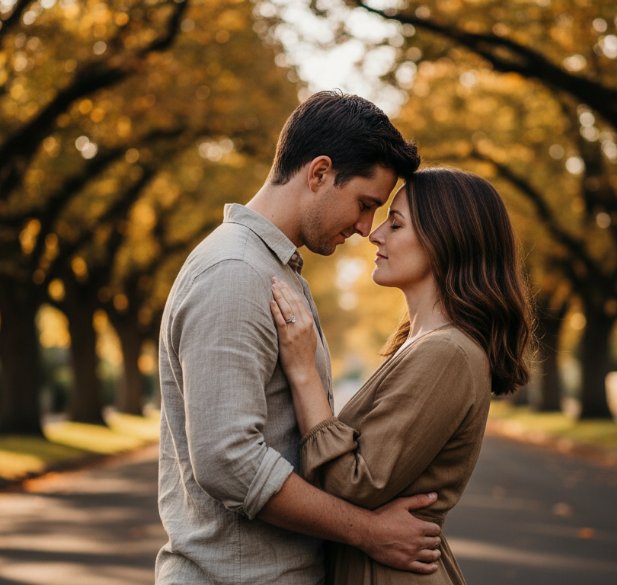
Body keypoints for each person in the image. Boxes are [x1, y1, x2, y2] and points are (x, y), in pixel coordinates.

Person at [156, 91, 444, 585]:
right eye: (365, 204)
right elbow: (228, 461)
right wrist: (368, 532)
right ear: (318, 173)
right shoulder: (234, 272)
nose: (364, 228)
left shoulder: (271, 268)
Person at [269, 167, 534, 585]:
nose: (375, 235)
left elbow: (353, 483)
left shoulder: (447, 353)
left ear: (445, 240)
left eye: (395, 224)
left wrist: (303, 372)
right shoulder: (422, 344)